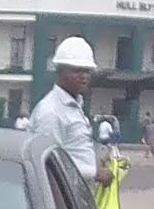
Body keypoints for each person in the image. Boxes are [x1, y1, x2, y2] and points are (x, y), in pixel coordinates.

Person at [29, 36, 113, 188]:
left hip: (77, 196)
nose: (84, 77)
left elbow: (74, 151)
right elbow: (48, 164)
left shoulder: (74, 106)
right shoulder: (51, 112)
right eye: (76, 70)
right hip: (61, 201)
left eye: (87, 71)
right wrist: (95, 172)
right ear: (59, 72)